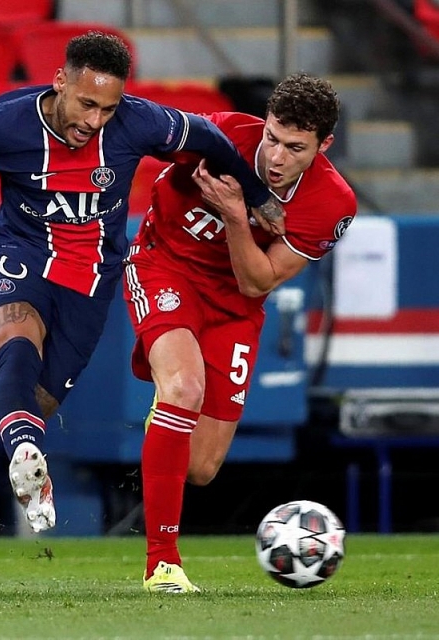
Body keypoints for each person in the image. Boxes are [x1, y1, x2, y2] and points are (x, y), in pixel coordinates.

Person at [0, 31, 284, 602]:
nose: (95, 120)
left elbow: (209, 137)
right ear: (60, 82)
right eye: (86, 104)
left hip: (89, 287)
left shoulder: (139, 123)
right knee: (15, 341)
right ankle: (25, 443)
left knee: (13, 431)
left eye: (108, 108)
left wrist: (255, 194)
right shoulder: (3, 124)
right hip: (17, 254)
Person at [123, 72, 357, 593]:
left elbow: (258, 280)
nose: (276, 158)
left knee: (201, 466)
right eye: (273, 138)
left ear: (324, 146)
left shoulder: (331, 203)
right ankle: (162, 563)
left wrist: (235, 214)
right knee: (183, 390)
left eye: (295, 148)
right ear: (264, 123)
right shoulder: (222, 133)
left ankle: (164, 420)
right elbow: (140, 134)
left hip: (236, 304)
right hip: (165, 265)